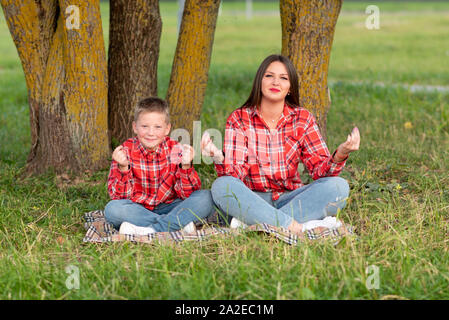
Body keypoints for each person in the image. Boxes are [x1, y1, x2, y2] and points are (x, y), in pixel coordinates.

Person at [201, 54, 360, 236]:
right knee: (222, 186)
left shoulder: (302, 118)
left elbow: (320, 172)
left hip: (291, 198)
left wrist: (341, 153)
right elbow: (234, 176)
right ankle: (295, 227)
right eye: (269, 76)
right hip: (252, 199)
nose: (275, 82)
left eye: (283, 78)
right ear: (259, 82)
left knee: (338, 187)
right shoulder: (239, 119)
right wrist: (218, 157)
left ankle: (258, 224)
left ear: (290, 88)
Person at [105, 97, 215, 235]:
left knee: (205, 197)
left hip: (171, 206)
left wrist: (186, 166)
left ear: (167, 129)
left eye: (157, 127)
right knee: (113, 209)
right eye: (145, 126)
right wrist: (123, 168)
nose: (151, 133)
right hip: (138, 210)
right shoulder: (125, 151)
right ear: (135, 127)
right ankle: (177, 224)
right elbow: (119, 197)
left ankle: (150, 229)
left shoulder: (176, 149)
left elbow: (187, 194)